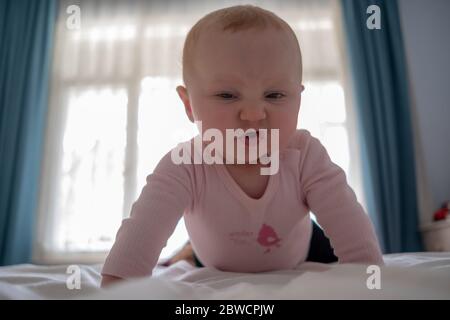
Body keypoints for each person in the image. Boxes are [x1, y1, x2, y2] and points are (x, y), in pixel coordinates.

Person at [101, 5, 383, 288]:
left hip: (302, 248)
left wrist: (371, 279)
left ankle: (187, 252)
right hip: (213, 256)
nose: (253, 114)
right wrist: (118, 286)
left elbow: (357, 244)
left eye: (274, 95)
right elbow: (135, 246)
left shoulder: (305, 156)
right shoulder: (184, 164)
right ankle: (186, 254)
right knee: (190, 259)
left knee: (326, 251)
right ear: (189, 105)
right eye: (226, 95)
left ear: (298, 99)